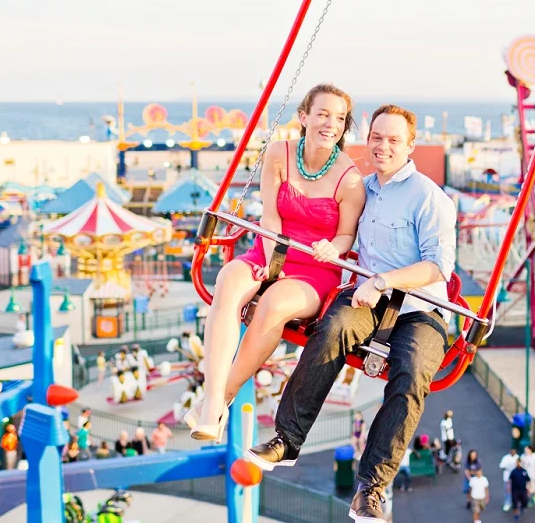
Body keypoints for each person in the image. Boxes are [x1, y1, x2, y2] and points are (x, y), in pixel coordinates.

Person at [246, 104, 457, 523]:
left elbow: (438, 266)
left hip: (419, 306)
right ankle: (288, 439)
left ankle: (371, 488)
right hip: (368, 300)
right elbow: (330, 224)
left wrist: (383, 280)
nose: (383, 146)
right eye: (376, 137)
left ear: (410, 146)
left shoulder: (429, 197)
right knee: (332, 329)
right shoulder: (362, 188)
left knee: (413, 372)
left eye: (393, 140)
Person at [186, 83, 365, 442]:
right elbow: (270, 216)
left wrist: (332, 247)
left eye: (339, 118)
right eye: (323, 114)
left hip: (315, 268)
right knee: (229, 279)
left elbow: (346, 237)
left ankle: (217, 402)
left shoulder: (350, 179)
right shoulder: (279, 153)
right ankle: (213, 399)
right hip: (270, 248)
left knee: (273, 304)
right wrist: (270, 263)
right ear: (303, 117)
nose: (331, 124)